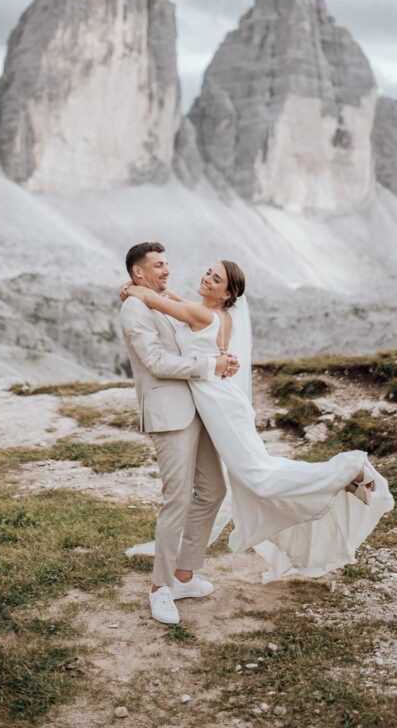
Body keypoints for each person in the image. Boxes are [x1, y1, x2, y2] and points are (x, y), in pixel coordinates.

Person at [122, 257, 395, 591]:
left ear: (227, 295)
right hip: (220, 402)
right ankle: (343, 481)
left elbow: (154, 300)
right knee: (251, 477)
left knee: (259, 477)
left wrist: (133, 288)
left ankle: (348, 470)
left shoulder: (203, 314)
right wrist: (149, 290)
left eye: (217, 280)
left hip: (220, 406)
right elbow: (177, 302)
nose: (208, 279)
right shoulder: (210, 312)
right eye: (209, 272)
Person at [119, 242, 240, 625]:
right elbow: (154, 361)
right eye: (158, 265)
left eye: (167, 263)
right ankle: (159, 589)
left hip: (200, 408)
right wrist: (210, 365)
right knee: (176, 499)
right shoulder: (134, 307)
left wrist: (219, 361)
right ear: (138, 272)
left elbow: (191, 320)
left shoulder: (156, 298)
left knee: (214, 490)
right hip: (169, 413)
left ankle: (184, 575)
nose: (166, 270)